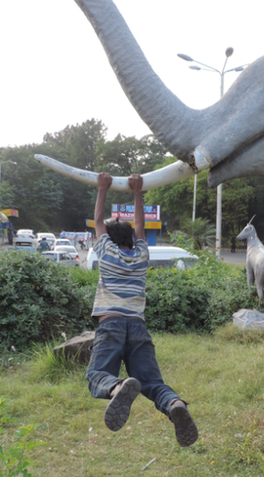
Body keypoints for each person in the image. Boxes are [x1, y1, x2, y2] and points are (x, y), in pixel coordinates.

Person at [85, 172, 198, 447]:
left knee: (97, 376)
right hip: (137, 326)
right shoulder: (142, 254)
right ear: (133, 241)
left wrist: (102, 188)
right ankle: (173, 403)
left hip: (110, 324)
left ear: (109, 239)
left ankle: (117, 387)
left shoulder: (106, 252)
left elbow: (98, 221)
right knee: (152, 382)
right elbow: (140, 224)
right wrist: (138, 192)